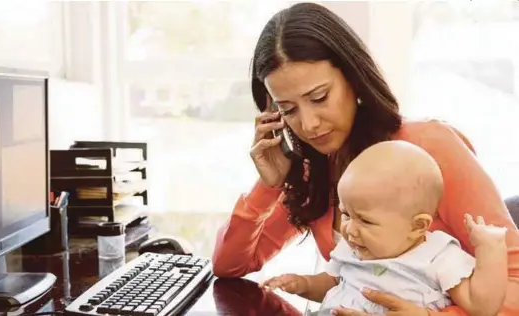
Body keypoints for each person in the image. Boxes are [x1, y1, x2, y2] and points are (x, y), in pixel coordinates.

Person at [211, 3, 519, 316]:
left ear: (354, 79)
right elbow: (230, 265)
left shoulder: (430, 146)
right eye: (288, 110)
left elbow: (515, 281)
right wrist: (268, 187)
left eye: (319, 98)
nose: (308, 124)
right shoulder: (312, 167)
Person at [259, 141, 508, 316]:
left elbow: (481, 306)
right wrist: (302, 283)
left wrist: (491, 250)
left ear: (417, 226)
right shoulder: (353, 247)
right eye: (346, 214)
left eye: (365, 221)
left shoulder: (438, 255)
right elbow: (332, 283)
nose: (349, 230)